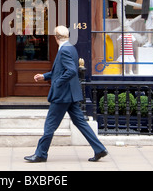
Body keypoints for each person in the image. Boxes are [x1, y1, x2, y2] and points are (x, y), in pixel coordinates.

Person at [24, 25, 108, 163]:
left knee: (50, 125)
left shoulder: (64, 50)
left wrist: (57, 83)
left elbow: (71, 71)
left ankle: (41, 154)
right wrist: (45, 76)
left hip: (62, 95)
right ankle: (99, 149)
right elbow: (61, 70)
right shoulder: (70, 48)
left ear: (56, 37)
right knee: (80, 122)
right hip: (70, 93)